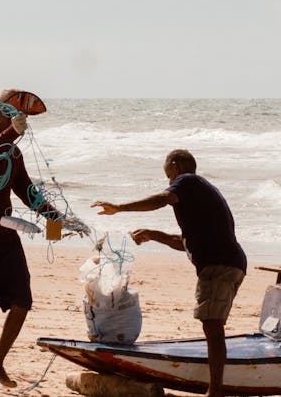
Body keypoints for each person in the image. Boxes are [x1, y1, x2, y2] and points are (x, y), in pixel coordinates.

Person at [92, 149, 246, 397]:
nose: (168, 182)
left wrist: (119, 208)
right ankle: (215, 388)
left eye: (168, 175)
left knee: (213, 326)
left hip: (219, 264)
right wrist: (153, 235)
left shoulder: (188, 181)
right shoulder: (198, 192)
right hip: (228, 262)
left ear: (174, 165)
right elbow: (184, 242)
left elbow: (162, 199)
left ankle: (215, 391)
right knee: (212, 325)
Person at [0, 89, 69, 394]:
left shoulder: (14, 154)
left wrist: (58, 217)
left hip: (5, 238)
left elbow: (27, 192)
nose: (25, 123)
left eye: (27, 119)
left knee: (22, 302)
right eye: (22, 117)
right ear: (5, 113)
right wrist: (10, 132)